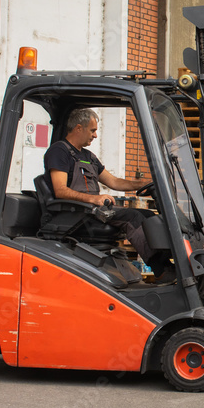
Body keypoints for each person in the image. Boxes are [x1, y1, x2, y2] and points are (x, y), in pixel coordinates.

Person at [43, 108, 175, 284]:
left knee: (148, 216)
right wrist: (93, 199)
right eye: (92, 130)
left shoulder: (88, 156)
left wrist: (146, 184)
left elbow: (114, 182)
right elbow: (60, 190)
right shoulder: (60, 151)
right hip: (77, 214)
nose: (96, 135)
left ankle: (169, 263)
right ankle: (160, 270)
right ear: (78, 128)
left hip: (93, 210)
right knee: (132, 216)